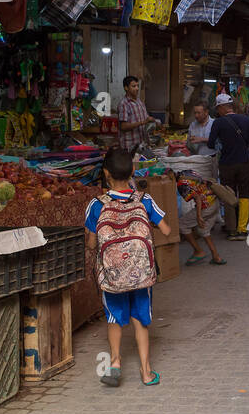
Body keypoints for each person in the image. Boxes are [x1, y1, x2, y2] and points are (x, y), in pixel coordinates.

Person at [86, 148, 170, 388]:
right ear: (133, 171)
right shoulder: (144, 200)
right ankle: (146, 372)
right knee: (140, 319)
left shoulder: (96, 204)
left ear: (105, 174)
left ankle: (115, 363)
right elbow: (166, 230)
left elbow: (92, 244)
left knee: (113, 317)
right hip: (141, 274)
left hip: (111, 276)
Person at [207, 93, 249, 241]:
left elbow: (210, 144)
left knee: (229, 195)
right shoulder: (245, 120)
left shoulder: (218, 123)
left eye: (218, 108)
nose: (218, 112)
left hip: (227, 164)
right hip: (243, 163)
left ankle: (232, 230)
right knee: (244, 195)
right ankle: (242, 229)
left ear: (222, 107)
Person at [178, 174, 226, 267]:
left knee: (182, 224)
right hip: (214, 203)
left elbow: (198, 198)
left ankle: (198, 251)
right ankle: (216, 257)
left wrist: (199, 216)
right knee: (203, 230)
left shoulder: (180, 185)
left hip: (206, 206)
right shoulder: (188, 173)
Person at [117, 76, 158, 153]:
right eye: (133, 86)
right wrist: (143, 122)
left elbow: (145, 119)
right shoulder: (124, 104)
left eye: (137, 86)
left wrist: (151, 120)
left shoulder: (140, 102)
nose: (137, 88)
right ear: (126, 88)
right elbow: (123, 126)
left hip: (141, 145)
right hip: (129, 147)